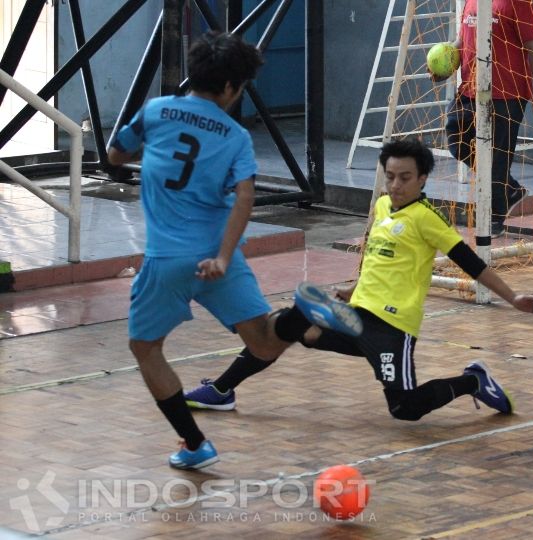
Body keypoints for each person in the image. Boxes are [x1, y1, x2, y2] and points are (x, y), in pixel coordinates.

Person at [108, 31, 360, 470]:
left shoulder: (156, 111)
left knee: (145, 349)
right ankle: (301, 313)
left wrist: (153, 156)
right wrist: (224, 258)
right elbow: (245, 197)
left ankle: (194, 443)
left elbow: (114, 155)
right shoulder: (235, 136)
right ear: (229, 88)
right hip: (218, 257)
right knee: (264, 345)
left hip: (166, 260)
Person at [187, 139, 533, 422]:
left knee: (405, 409)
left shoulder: (428, 218)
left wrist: (513, 297)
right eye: (390, 176)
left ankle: (473, 380)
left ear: (423, 178)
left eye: (405, 178)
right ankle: (222, 389)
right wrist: (355, 288)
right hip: (357, 312)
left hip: (392, 327)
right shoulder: (381, 207)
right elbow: (377, 258)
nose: (395, 185)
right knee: (289, 325)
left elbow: (471, 263)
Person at [432, 0, 533, 238]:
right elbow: (462, 41)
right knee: (458, 142)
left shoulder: (519, 3)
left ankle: (494, 217)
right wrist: (447, 65)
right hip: (470, 88)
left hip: (507, 93)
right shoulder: (470, 1)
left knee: (497, 157)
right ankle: (509, 189)